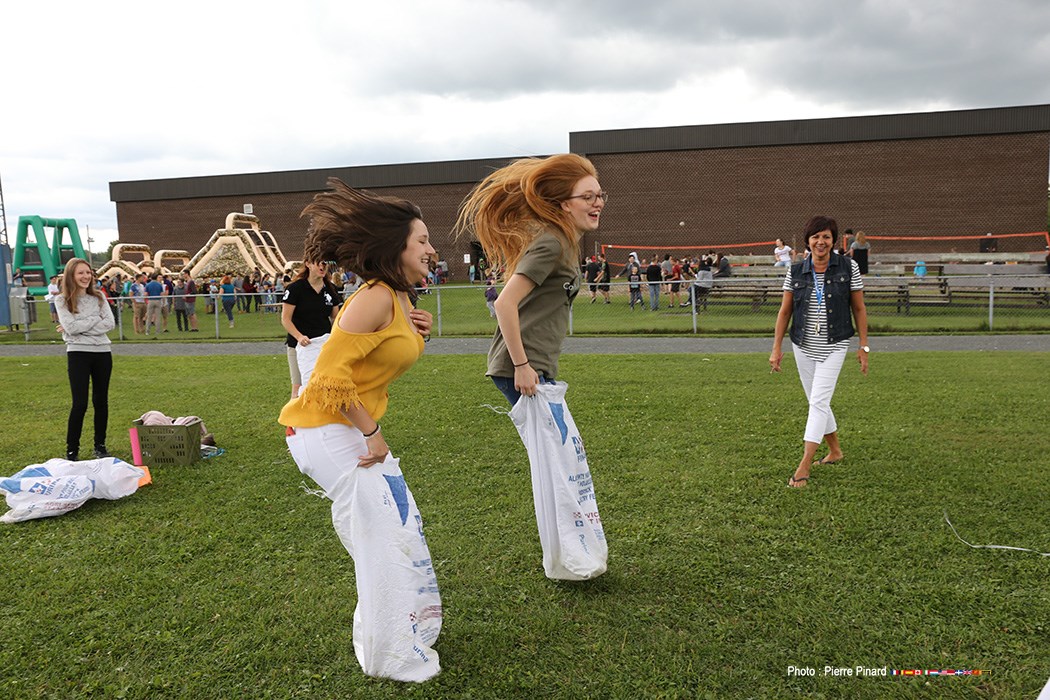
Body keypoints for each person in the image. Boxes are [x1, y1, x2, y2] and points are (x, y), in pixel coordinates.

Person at [454, 153, 604, 406]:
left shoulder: (565, 242)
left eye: (599, 196)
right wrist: (522, 366)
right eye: (587, 197)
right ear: (565, 204)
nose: (597, 203)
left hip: (537, 366)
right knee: (553, 434)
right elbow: (504, 303)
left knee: (557, 434)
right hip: (522, 369)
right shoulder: (552, 244)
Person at [770, 216, 869, 489]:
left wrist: (863, 346)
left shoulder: (848, 267)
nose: (820, 242)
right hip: (802, 345)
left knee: (818, 402)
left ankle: (804, 464)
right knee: (817, 401)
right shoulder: (796, 270)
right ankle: (835, 451)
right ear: (808, 241)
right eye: (815, 237)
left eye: (826, 236)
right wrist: (776, 348)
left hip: (835, 343)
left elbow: (859, 308)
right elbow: (785, 311)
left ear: (833, 240)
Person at [54, 258, 115, 461]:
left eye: (88, 272)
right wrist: (94, 320)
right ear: (71, 275)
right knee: (79, 403)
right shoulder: (62, 300)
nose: (85, 276)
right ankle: (72, 450)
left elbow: (110, 323)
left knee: (101, 401)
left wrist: (78, 326)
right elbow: (71, 328)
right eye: (80, 273)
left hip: (102, 353)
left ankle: (100, 445)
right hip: (78, 353)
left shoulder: (99, 297)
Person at [281, 260, 341, 398]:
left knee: (326, 387)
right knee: (298, 389)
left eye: (325, 264)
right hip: (299, 345)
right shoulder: (295, 288)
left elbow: (336, 318)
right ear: (308, 264)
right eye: (318, 263)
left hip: (323, 346)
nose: (322, 266)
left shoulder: (331, 289)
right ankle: (294, 412)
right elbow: (285, 319)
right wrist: (299, 336)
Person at [144, 272, 165, 337]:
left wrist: (145, 301)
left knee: (149, 317)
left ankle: (147, 331)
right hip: (158, 300)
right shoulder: (159, 285)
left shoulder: (148, 285)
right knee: (158, 317)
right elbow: (162, 294)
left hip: (151, 300)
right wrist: (163, 301)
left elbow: (145, 294)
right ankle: (157, 331)